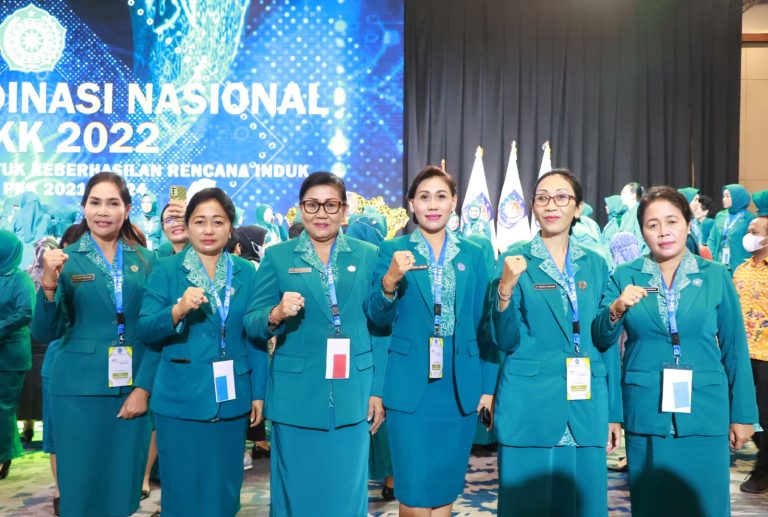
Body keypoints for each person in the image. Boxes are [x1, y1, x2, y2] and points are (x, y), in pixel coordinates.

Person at [593, 186, 758, 517]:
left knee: (705, 504)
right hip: (646, 408)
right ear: (642, 231)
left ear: (688, 224)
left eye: (672, 221)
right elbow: (602, 340)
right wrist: (616, 307)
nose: (663, 232)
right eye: (652, 225)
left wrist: (743, 415)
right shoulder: (626, 275)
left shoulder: (715, 275)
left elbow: (735, 348)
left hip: (705, 408)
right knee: (653, 505)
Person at [245, 171, 385, 516]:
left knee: (346, 494)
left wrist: (377, 390)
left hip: (354, 392)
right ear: (300, 209)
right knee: (298, 494)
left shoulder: (369, 255)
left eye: (330, 204)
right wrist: (276, 314)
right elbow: (253, 323)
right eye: (312, 205)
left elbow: (382, 326)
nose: (321, 213)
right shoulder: (279, 257)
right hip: (296, 397)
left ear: (344, 210)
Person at [490, 169, 621, 516]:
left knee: (583, 505)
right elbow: (504, 339)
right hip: (529, 400)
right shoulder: (514, 259)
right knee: (526, 506)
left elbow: (604, 343)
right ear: (533, 206)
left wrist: (614, 413)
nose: (551, 205)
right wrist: (505, 290)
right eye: (543, 197)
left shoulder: (595, 263)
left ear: (577, 208)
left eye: (562, 197)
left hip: (586, 403)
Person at [368, 165, 496, 516]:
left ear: (454, 202)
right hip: (409, 384)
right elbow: (378, 318)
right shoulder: (393, 249)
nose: (433, 204)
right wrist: (390, 282)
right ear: (411, 204)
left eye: (441, 196)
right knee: (412, 490)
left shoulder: (474, 252)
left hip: (458, 385)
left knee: (445, 485)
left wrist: (488, 387)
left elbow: (484, 325)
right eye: (424, 197)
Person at [31, 171, 158, 517]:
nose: (103, 211)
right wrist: (48, 283)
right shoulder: (64, 259)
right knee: (81, 486)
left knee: (123, 485)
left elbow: (154, 332)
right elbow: (46, 330)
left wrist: (143, 388)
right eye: (95, 202)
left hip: (130, 388)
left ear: (127, 209)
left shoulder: (145, 261)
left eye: (113, 203)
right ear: (84, 207)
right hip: (77, 389)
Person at [138, 188, 266, 516]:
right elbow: (147, 329)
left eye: (217, 222)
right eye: (200, 221)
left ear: (230, 227)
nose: (208, 230)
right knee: (182, 491)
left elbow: (253, 336)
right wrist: (177, 310)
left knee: (225, 489)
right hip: (180, 397)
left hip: (232, 396)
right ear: (188, 225)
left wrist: (259, 392)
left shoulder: (246, 271)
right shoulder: (167, 269)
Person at [733, 189, 768, 494]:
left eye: (755, 232)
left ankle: (763, 471)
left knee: (765, 417)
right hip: (743, 353)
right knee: (749, 413)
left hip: (767, 354)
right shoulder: (741, 270)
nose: (749, 236)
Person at [0, 230, 35, 481]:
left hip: (11, 355)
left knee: (3, 408)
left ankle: (3, 456)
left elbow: (26, 312)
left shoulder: (19, 278)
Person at [708, 184, 756, 274]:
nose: (723, 199)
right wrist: (711, 258)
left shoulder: (750, 218)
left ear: (737, 197)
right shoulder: (720, 215)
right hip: (719, 262)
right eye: (723, 196)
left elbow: (753, 245)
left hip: (740, 264)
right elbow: (712, 239)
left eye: (727, 196)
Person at [619, 182, 647, 254]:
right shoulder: (625, 215)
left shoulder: (639, 211)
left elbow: (640, 239)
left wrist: (636, 258)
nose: (621, 196)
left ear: (633, 195)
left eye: (624, 193)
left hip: (635, 255)